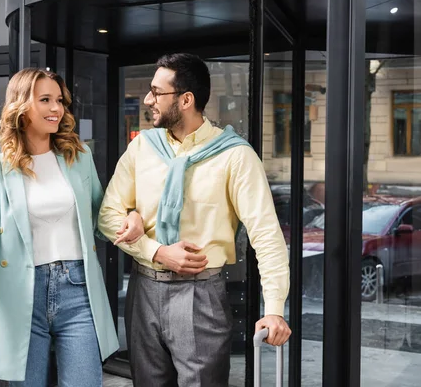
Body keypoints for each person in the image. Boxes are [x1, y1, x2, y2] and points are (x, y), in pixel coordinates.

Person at [98, 53, 291, 386]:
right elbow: (106, 215)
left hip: (200, 296)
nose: (147, 100)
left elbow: (266, 234)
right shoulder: (142, 147)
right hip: (143, 289)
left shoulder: (235, 156)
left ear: (186, 99)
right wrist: (156, 251)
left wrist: (274, 307)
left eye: (157, 92)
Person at [0, 68, 144, 386]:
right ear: (20, 106)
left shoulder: (78, 157)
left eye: (59, 101)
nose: (57, 109)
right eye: (45, 100)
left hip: (78, 290)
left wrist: (132, 217)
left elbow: (101, 219)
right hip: (21, 294)